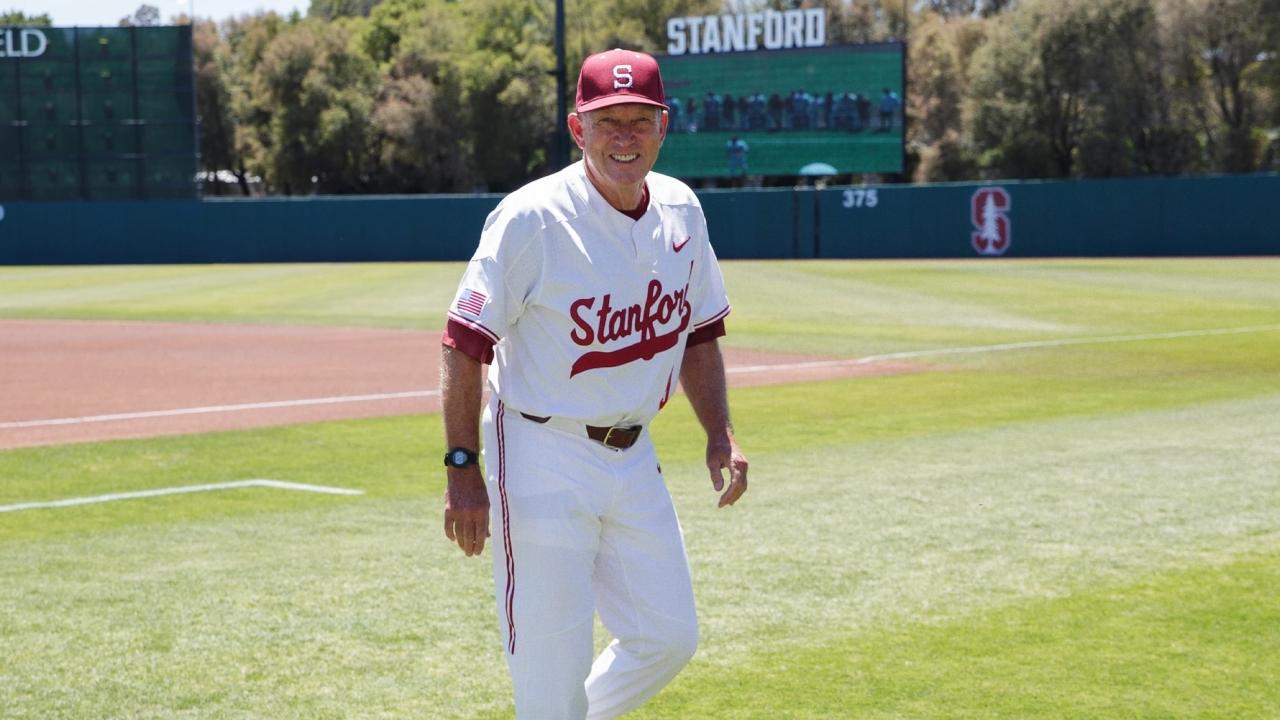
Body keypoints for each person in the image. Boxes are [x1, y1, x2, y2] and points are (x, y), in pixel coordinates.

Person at [439, 48, 749, 720]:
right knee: (552, 666)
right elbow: (464, 344)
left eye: (641, 120)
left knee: (667, 636)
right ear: (578, 129)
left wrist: (719, 433)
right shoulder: (532, 219)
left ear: (663, 126)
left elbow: (698, 333)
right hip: (540, 451)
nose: (626, 137)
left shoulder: (682, 210)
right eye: (609, 122)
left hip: (634, 454)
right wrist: (463, 467)